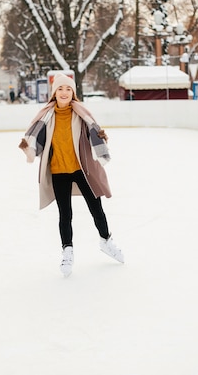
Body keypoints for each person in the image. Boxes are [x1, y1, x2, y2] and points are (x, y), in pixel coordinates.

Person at [18, 73, 123, 277]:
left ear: (73, 92)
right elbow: (34, 138)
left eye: (68, 89)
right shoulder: (46, 117)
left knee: (97, 209)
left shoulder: (81, 114)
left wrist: (101, 142)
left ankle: (106, 241)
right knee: (65, 215)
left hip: (82, 169)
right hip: (58, 171)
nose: (64, 93)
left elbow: (94, 131)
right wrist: (28, 148)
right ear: (54, 93)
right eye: (60, 89)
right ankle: (67, 251)